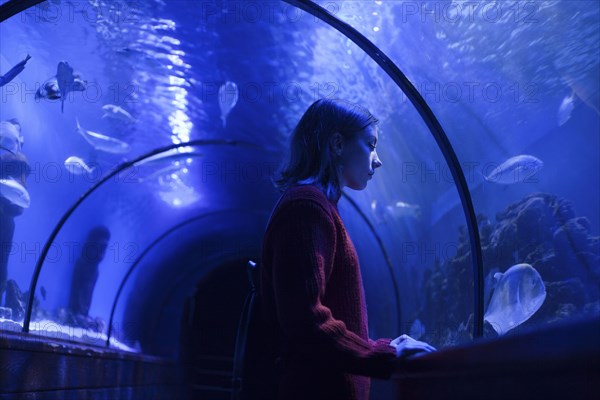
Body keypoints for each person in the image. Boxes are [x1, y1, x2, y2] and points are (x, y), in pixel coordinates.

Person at [251, 99, 436, 400]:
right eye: (370, 144)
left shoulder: (319, 207)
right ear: (337, 144)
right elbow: (306, 323)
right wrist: (383, 355)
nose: (377, 160)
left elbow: (325, 319)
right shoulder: (306, 208)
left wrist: (383, 345)